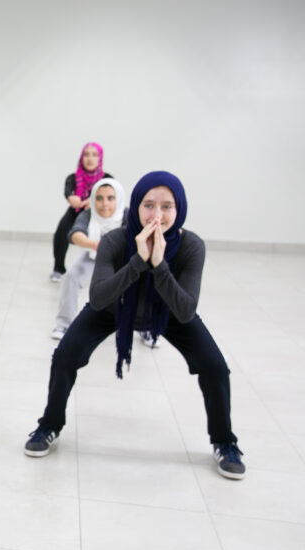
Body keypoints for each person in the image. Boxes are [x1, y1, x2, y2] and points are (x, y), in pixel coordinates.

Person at [24, 171, 246, 480]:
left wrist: (159, 263)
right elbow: (99, 297)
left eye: (166, 207)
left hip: (169, 312)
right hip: (114, 306)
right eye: (149, 205)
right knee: (64, 356)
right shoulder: (115, 240)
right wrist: (139, 261)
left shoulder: (191, 246)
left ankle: (225, 441)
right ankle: (49, 424)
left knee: (216, 368)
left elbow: (185, 309)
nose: (157, 215)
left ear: (179, 209)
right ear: (136, 207)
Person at [51, 178, 126, 340]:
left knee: (143, 281)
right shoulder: (88, 215)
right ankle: (64, 325)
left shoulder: (127, 215)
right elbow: (75, 234)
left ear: (118, 199)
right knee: (71, 277)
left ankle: (147, 328)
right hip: (95, 256)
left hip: (123, 261)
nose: (104, 203)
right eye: (99, 198)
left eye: (110, 198)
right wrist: (93, 244)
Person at [51, 142, 112, 282]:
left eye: (94, 155)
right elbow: (68, 192)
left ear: (100, 158)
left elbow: (113, 195)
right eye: (86, 154)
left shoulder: (106, 178)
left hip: (100, 214)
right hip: (77, 211)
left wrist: (94, 200)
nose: (90, 158)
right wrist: (72, 198)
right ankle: (58, 269)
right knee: (61, 232)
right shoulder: (73, 177)